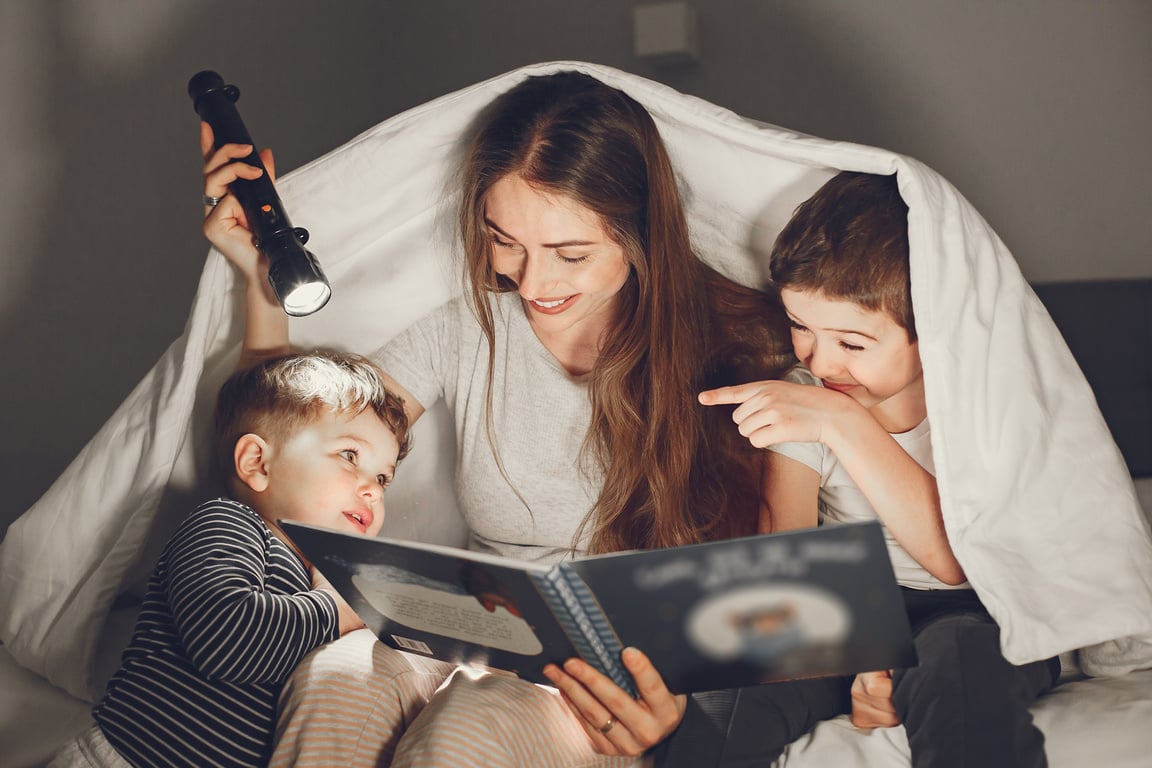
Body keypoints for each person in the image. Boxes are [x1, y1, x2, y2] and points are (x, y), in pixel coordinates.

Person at [200, 70, 802, 766]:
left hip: (608, 673)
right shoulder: (471, 331)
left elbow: (782, 596)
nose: (533, 283)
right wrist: (258, 279)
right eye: (503, 239)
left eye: (570, 254)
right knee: (335, 678)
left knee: (464, 732)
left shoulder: (743, 350)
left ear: (640, 236)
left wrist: (684, 719)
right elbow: (292, 440)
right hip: (473, 628)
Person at [699, 171, 1062, 767]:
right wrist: (854, 651)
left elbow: (954, 564)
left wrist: (843, 424)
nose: (818, 359)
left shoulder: (981, 399)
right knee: (731, 695)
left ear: (932, 334)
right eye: (800, 328)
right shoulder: (805, 390)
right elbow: (786, 555)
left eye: (853, 343)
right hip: (851, 604)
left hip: (981, 604)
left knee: (961, 660)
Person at [47, 351, 413, 768]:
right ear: (257, 462)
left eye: (384, 478)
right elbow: (224, 638)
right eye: (350, 455)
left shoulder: (324, 581)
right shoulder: (230, 524)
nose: (374, 490)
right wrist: (338, 610)